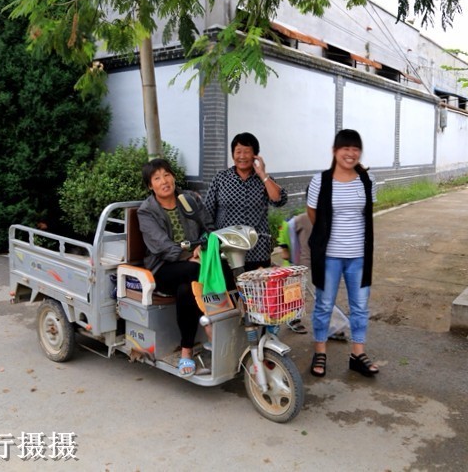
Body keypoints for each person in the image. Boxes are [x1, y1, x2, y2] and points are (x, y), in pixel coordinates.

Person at [307, 129, 378, 378]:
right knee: (324, 305)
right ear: (335, 151)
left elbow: (365, 215)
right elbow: (313, 213)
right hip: (329, 256)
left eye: (355, 148)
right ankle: (320, 351)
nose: (351, 153)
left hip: (359, 255)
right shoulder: (322, 180)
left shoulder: (367, 181)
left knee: (360, 307)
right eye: (345, 148)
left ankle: (358, 354)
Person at [137, 159, 214, 378]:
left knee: (186, 290)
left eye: (167, 174)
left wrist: (203, 246)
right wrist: (192, 255)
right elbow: (162, 247)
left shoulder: (189, 199)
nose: (164, 181)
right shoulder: (147, 211)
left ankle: (186, 351)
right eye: (157, 178)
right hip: (163, 269)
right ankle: (212, 326)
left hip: (194, 266)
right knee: (195, 272)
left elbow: (209, 228)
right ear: (150, 186)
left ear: (174, 177)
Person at [204, 132, 287, 271]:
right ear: (232, 155)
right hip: (226, 249)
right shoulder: (221, 179)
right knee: (230, 292)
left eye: (247, 152)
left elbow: (279, 200)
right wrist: (209, 241)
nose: (242, 156)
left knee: (257, 291)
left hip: (257, 250)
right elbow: (207, 213)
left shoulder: (264, 180)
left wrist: (263, 174)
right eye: (238, 152)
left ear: (255, 155)